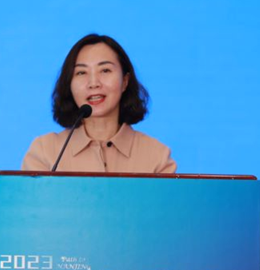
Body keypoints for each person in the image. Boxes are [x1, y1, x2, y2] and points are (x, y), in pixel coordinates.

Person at [21, 34, 176, 173]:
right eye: (81, 72)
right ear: (69, 84)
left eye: (105, 70)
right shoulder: (45, 152)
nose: (93, 83)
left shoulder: (157, 157)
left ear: (125, 81)